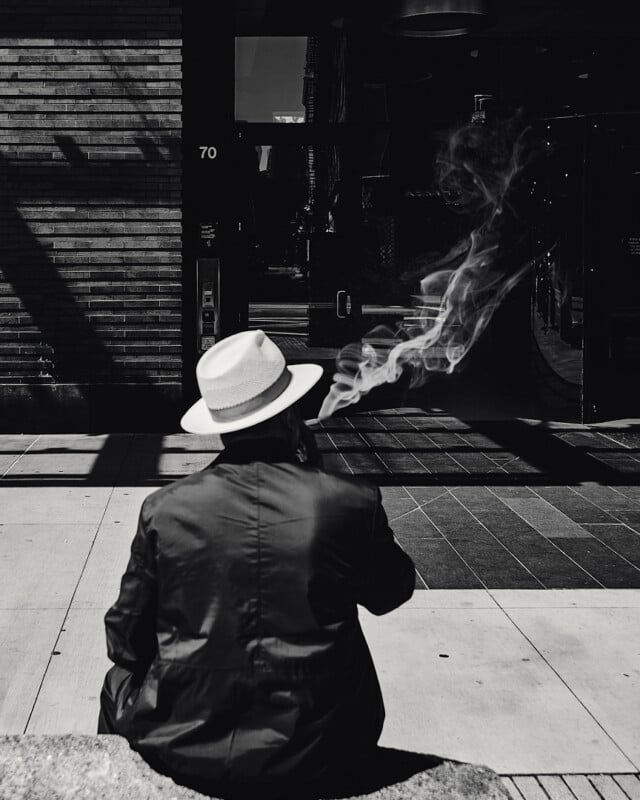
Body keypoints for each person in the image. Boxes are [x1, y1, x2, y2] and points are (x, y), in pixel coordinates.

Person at [98, 330, 415, 799]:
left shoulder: (165, 509)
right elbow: (392, 592)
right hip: (325, 743)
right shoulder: (350, 502)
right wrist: (319, 476)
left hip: (185, 743)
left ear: (221, 426)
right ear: (291, 414)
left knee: (117, 682)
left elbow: (125, 641)